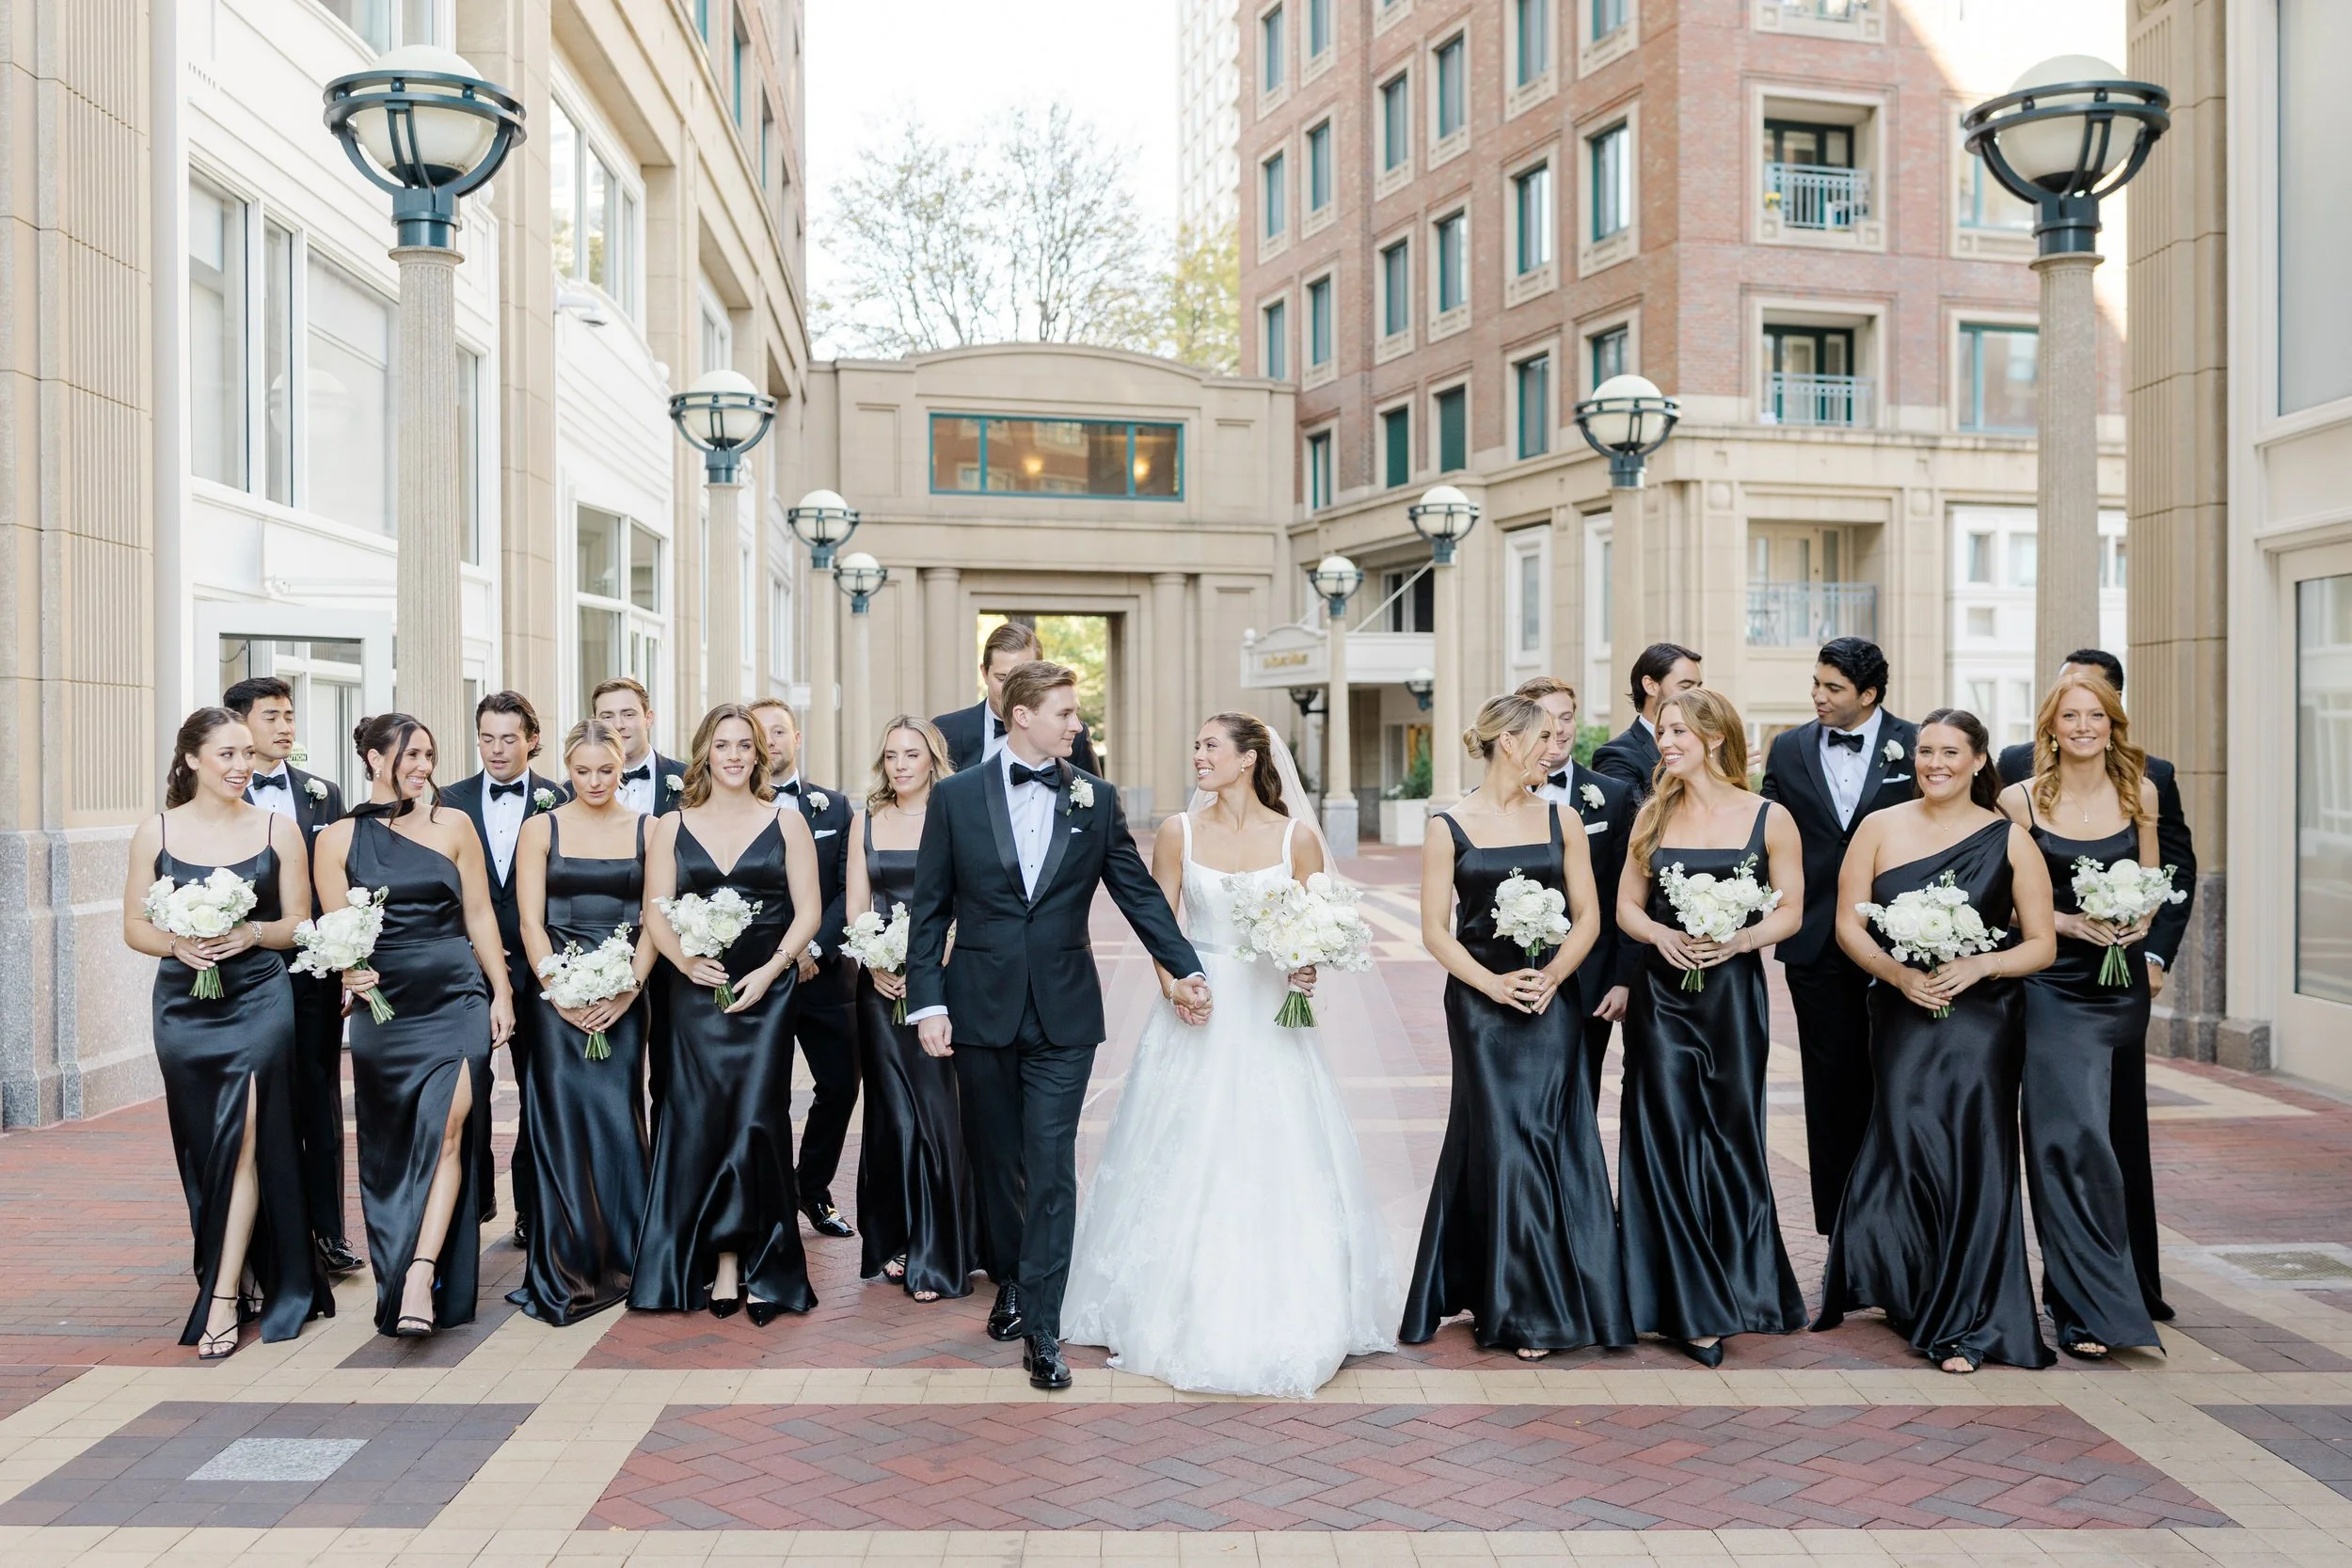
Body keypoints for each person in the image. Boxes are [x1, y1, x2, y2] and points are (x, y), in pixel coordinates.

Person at [1064, 712, 1400, 1395]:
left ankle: (1296, 1302)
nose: (1197, 756)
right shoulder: (1177, 833)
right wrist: (1174, 986)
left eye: (1210, 745)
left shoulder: (1297, 837)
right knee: (1183, 1149)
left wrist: (1306, 967)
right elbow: (1157, 925)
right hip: (1200, 1007)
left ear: (1249, 758)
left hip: (1272, 1016)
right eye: (1195, 744)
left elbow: (1318, 925)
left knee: (1277, 1154)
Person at [906, 660, 1209, 1391]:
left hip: (1065, 1014)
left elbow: (1137, 892)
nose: (1079, 725)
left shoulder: (1093, 798)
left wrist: (1187, 966)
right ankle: (1011, 1272)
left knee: (1050, 1167)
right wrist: (929, 1002)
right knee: (997, 1159)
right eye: (1068, 713)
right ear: (1023, 716)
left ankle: (1043, 1327)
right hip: (979, 1006)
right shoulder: (954, 798)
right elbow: (929, 908)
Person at [1814, 708, 2057, 1373]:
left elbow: (2041, 942)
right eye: (1925, 751)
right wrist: (1895, 972)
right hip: (1898, 1012)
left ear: (1979, 760)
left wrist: (1980, 964)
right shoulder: (1879, 827)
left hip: (1980, 1019)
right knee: (1905, 1141)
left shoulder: (2009, 839)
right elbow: (1847, 924)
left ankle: (1966, 1313)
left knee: (1971, 1148)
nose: (1936, 763)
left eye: (1951, 751)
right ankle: (1909, 1284)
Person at [1401, 694, 1628, 1361]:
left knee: (1552, 1136)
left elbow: (1589, 916)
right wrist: (1493, 982)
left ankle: (1553, 1293)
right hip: (1479, 1003)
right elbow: (1435, 929)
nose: (1554, 750)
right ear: (1508, 742)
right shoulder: (1447, 824)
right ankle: (1511, 1302)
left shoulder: (1564, 820)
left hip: (1548, 999)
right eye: (1544, 740)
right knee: (1499, 1141)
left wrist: (1555, 975)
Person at [121, 708, 333, 1359]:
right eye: (227, 754)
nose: (242, 765)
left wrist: (249, 933)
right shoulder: (154, 831)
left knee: (244, 1137)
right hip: (183, 1006)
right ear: (191, 759)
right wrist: (178, 940)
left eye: (247, 753)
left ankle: (218, 1300)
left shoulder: (279, 829)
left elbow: (299, 921)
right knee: (202, 1145)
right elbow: (135, 927)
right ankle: (236, 1267)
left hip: (259, 999)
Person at [1614, 688, 1808, 1366]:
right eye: (1662, 730)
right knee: (1665, 1131)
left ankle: (1743, 1286)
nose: (1665, 741)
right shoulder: (1652, 814)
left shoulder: (1769, 817)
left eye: (1677, 731)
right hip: (1662, 996)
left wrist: (1740, 939)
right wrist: (1661, 936)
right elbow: (1626, 909)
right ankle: (1681, 1304)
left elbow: (1791, 911)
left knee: (1731, 1132)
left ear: (1715, 736)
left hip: (1731, 995)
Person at [1995, 646, 2187, 1322]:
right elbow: (2009, 903)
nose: (2084, 725)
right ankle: (2083, 1303)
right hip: (2051, 983)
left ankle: (2110, 1284)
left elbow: (2155, 881)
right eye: (2070, 715)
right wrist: (2070, 925)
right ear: (2049, 726)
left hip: (2119, 984)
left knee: (2105, 1134)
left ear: (2114, 722)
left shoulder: (2143, 790)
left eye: (2096, 715)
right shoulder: (2016, 799)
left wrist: (2138, 924)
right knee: (2064, 1134)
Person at [312, 715, 516, 1338]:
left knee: (452, 1126)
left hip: (455, 996)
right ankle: (399, 1261)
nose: (424, 765)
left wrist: (501, 991)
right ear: (374, 758)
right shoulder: (336, 838)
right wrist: (349, 970)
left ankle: (424, 1272)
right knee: (396, 1145)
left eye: (429, 753)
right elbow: (334, 929)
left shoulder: (454, 825)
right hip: (387, 1011)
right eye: (410, 754)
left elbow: (479, 912)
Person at [632, 705, 824, 1324]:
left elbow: (809, 911)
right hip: (693, 993)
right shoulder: (671, 824)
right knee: (697, 1120)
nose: (736, 755)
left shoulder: (787, 821)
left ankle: (762, 1251)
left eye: (746, 744)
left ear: (758, 755)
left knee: (757, 1119)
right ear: (704, 753)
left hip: (765, 994)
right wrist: (684, 963)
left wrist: (775, 968)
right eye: (724, 744)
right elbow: (655, 912)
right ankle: (720, 1258)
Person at [1757, 638, 1918, 1233]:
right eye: (1816, 684)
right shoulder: (1789, 747)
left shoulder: (1915, 743)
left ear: (1869, 695)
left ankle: (1898, 1221)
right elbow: (1768, 832)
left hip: (1901, 940)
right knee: (1829, 1086)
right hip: (1815, 940)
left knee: (1896, 1080)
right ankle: (1841, 1229)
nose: (1818, 697)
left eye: (1833, 688)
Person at [510, 720, 655, 1325]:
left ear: (622, 766)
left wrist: (627, 990)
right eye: (583, 770)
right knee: (561, 1124)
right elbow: (529, 923)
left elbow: (655, 922)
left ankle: (628, 1253)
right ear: (567, 769)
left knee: (620, 1120)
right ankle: (568, 1260)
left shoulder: (650, 829)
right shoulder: (540, 828)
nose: (595, 781)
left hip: (624, 998)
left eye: (606, 769)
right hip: (556, 1003)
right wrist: (560, 994)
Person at [224, 675, 360, 1280]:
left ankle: (327, 1233)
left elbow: (337, 888)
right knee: (253, 1106)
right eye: (271, 715)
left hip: (311, 975)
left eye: (289, 715)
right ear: (238, 724)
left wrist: (344, 963)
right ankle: (254, 1238)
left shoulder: (322, 793)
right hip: (241, 975)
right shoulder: (217, 793)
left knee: (318, 1102)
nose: (285, 725)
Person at [845, 716, 977, 1303]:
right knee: (892, 1116)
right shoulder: (865, 822)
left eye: (912, 754)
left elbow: (971, 902)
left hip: (942, 986)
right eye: (891, 755)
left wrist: (932, 960)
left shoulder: (957, 816)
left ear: (933, 761)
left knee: (938, 1116)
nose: (900, 765)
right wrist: (873, 961)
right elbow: (855, 906)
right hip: (876, 993)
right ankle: (897, 1241)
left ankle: (938, 1251)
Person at [438, 691, 563, 1244]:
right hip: (470, 968)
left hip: (541, 969)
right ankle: (476, 1194)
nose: (496, 749)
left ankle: (531, 1205)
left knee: (541, 1086)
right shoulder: (448, 801)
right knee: (471, 1086)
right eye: (486, 737)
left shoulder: (560, 799)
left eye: (509, 738)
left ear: (532, 740)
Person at [750, 697, 858, 1241]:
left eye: (778, 732)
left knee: (840, 1084)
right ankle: (764, 1199)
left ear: (797, 737)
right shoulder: (731, 810)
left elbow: (846, 888)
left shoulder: (833, 808)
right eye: (757, 734)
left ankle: (810, 1189)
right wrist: (776, 959)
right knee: (760, 1091)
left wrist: (814, 950)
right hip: (759, 976)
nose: (768, 743)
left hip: (824, 976)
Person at [1521, 676, 1636, 1106]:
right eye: (1548, 719)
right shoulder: (1489, 801)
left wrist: (1624, 980)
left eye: (1566, 716)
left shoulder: (1613, 794)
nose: (1561, 729)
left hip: (1592, 980)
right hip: (1520, 976)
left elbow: (1626, 893)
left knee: (1580, 1097)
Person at [589, 676, 684, 1115]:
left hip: (679, 955)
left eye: (628, 714)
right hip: (599, 954)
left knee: (674, 1074)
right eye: (607, 715)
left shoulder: (689, 781)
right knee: (608, 1075)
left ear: (648, 717)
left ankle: (667, 1175)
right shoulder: (574, 788)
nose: (619, 724)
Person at [932, 621, 1102, 775]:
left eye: (1023, 679)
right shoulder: (945, 731)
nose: (1012, 690)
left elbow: (1097, 801)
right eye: (1002, 678)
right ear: (984, 673)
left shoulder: (1074, 736)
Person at [1589, 643, 1703, 800]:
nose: (1697, 697)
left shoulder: (1704, 746)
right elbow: (1632, 819)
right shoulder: (1616, 756)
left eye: (1699, 688)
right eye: (1685, 687)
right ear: (1650, 686)